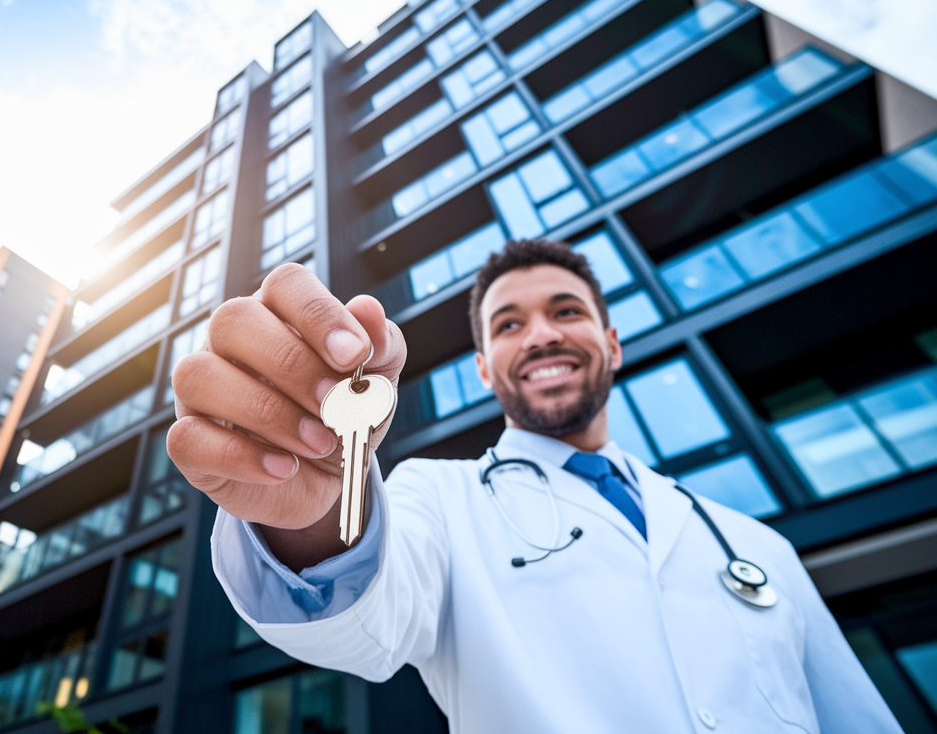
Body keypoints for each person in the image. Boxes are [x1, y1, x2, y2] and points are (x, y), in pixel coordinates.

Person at [167, 239, 902, 733]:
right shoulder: (439, 500)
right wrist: (313, 506)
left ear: (611, 345)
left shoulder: (753, 544)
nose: (542, 335)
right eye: (510, 324)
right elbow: (368, 617)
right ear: (486, 370)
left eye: (568, 312)